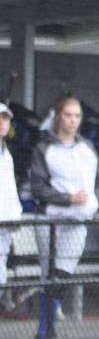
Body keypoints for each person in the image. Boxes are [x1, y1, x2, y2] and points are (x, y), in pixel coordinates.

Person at [30, 96, 99, 339]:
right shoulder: (43, 148)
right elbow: (37, 187)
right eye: (68, 115)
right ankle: (45, 332)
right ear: (58, 116)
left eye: (77, 116)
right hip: (51, 220)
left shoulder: (88, 147)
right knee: (49, 275)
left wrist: (93, 202)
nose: (72, 121)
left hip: (79, 222)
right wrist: (67, 199)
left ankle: (47, 330)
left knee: (62, 274)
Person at [0, 102, 23, 307]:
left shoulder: (6, 154)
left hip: (5, 224)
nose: (2, 122)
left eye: (5, 118)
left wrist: (15, 215)